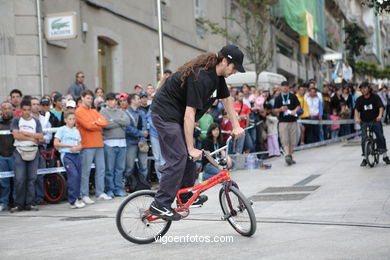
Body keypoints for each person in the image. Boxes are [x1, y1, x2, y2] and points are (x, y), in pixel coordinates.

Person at [149, 44, 245, 220]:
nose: (235, 72)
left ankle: (185, 196)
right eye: (234, 67)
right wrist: (191, 147)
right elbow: (189, 114)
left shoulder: (217, 78)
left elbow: (227, 100)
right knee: (179, 156)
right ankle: (160, 204)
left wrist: (236, 125)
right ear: (224, 61)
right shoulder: (200, 77)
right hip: (164, 114)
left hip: (176, 116)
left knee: (191, 158)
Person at [76, 90, 111, 204]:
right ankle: (84, 194)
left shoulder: (93, 110)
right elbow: (87, 126)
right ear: (82, 98)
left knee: (101, 169)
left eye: (91, 98)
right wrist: (96, 123)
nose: (90, 100)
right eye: (88, 98)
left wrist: (95, 123)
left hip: (99, 144)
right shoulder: (79, 111)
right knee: (85, 171)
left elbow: (104, 123)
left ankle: (100, 192)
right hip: (87, 145)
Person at [10, 98, 43, 212]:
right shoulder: (16, 120)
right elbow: (16, 136)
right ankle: (19, 203)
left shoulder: (36, 121)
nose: (27, 112)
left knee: (32, 179)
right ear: (21, 110)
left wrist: (26, 133)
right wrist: (32, 138)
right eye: (24, 110)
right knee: (19, 179)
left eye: (29, 110)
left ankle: (30, 203)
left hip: (33, 151)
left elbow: (40, 135)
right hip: (19, 150)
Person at [100, 93, 130, 197]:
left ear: (115, 101)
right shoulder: (103, 111)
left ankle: (118, 188)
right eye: (108, 100)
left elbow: (127, 122)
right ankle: (110, 189)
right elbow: (106, 124)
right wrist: (119, 123)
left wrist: (115, 120)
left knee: (120, 169)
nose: (111, 102)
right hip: (109, 143)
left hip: (122, 143)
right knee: (110, 169)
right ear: (106, 101)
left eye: (112, 100)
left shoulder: (120, 111)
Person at [54, 110, 85, 209]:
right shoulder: (62, 129)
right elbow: (56, 143)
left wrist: (78, 147)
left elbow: (80, 144)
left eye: (74, 119)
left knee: (78, 177)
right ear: (65, 120)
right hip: (67, 155)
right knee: (73, 176)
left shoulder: (76, 131)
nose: (72, 121)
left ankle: (77, 198)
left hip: (76, 155)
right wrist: (68, 145)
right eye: (70, 119)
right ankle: (73, 200)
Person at [354, 82, 390, 166]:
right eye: (361, 88)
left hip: (375, 120)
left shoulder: (375, 97)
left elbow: (381, 107)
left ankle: (385, 156)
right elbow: (356, 109)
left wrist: (380, 115)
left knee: (380, 136)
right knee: (364, 138)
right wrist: (356, 118)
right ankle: (365, 158)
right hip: (364, 121)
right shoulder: (359, 100)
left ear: (369, 88)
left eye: (365, 88)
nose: (363, 90)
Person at [273, 81, 301, 165]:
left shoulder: (293, 96)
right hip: (283, 121)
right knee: (284, 139)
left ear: (288, 87)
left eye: (286, 86)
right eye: (283, 86)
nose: (285, 88)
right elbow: (274, 110)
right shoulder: (278, 98)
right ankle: (287, 155)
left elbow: (298, 106)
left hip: (293, 121)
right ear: (281, 87)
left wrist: (294, 111)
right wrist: (281, 109)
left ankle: (290, 155)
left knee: (293, 139)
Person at [124, 94, 149, 180]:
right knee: (129, 166)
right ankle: (129, 185)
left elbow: (145, 127)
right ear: (132, 100)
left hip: (142, 142)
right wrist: (141, 134)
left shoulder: (141, 112)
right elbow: (128, 129)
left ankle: (143, 184)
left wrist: (142, 139)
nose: (140, 100)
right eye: (138, 99)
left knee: (144, 166)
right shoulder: (126, 113)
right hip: (130, 142)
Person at [0, 102, 15, 211]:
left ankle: (15, 202)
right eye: (4, 108)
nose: (6, 111)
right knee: (4, 182)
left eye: (8, 108)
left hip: (14, 156)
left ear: (12, 110)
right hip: (1, 156)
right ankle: (4, 203)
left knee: (16, 180)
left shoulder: (16, 122)